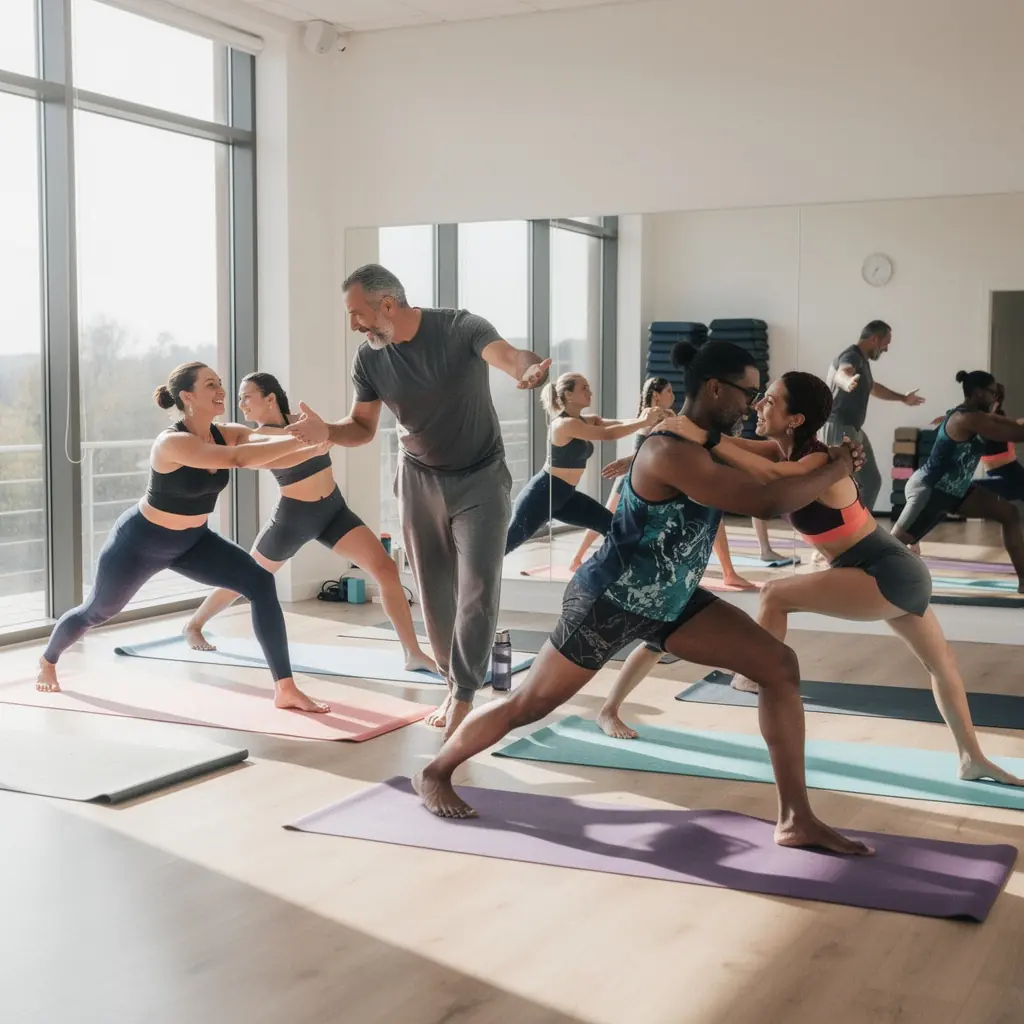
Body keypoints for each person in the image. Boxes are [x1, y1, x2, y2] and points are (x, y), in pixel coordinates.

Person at [413, 340, 873, 857]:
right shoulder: (670, 451)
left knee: (779, 667)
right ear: (715, 388)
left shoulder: (708, 441)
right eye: (747, 393)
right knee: (529, 704)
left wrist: (829, 455)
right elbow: (764, 501)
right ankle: (435, 771)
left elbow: (777, 460)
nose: (752, 404)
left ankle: (796, 818)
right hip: (610, 599)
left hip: (671, 600)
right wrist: (836, 469)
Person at [598, 372, 1023, 787]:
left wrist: (703, 435)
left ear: (796, 419)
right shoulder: (778, 450)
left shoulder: (818, 461)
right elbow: (725, 452)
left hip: (885, 571)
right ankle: (972, 757)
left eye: (770, 400)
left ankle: (752, 674)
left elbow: (766, 474)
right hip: (879, 568)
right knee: (941, 664)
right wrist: (647, 458)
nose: (759, 404)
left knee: (775, 593)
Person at [286, 264, 550, 741]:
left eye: (357, 314)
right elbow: (361, 428)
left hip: (480, 477)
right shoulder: (369, 360)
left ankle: (464, 694)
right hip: (418, 479)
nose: (354, 326)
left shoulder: (460, 327)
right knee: (433, 589)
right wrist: (328, 432)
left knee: (478, 585)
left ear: (388, 304)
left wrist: (526, 369)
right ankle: (453, 682)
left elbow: (509, 356)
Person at [36, 362, 329, 713]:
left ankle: (285, 688)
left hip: (193, 542)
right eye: (210, 385)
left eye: (219, 383)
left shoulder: (227, 432)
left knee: (260, 581)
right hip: (140, 543)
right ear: (188, 397)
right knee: (95, 612)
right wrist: (307, 441)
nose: (221, 390)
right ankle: (48, 660)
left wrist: (316, 438)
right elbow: (238, 459)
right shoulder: (172, 442)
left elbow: (266, 440)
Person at [181, 372, 435, 672]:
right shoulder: (259, 436)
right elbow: (287, 449)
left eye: (246, 396)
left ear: (270, 398)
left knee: (386, 569)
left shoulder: (303, 421)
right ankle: (194, 625)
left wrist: (325, 433)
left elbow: (333, 435)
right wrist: (316, 440)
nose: (242, 404)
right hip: (292, 520)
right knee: (245, 577)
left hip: (334, 512)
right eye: (239, 399)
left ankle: (412, 653)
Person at [583, 378, 756, 589]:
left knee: (713, 517)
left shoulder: (668, 416)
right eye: (669, 391)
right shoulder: (650, 415)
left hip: (653, 474)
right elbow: (649, 449)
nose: (673, 395)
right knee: (608, 519)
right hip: (638, 476)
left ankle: (729, 572)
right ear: (656, 395)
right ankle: (579, 557)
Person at [892, 370, 1024, 591]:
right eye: (992, 393)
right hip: (930, 491)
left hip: (958, 492)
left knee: (1009, 513)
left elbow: (1012, 425)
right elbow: (1015, 433)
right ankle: (852, 578)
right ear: (979, 392)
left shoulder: (979, 417)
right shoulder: (966, 418)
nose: (995, 398)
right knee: (890, 545)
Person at [505, 372, 663, 557]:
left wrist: (646, 420)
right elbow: (608, 435)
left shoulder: (585, 420)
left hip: (565, 496)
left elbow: (617, 424)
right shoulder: (563, 424)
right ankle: (472, 571)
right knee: (505, 545)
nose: (590, 392)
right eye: (584, 388)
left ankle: (611, 570)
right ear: (569, 394)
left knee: (613, 527)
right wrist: (644, 421)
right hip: (542, 495)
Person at [823, 320, 925, 512]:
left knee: (871, 481)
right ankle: (838, 526)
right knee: (839, 484)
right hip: (838, 427)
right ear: (874, 339)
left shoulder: (862, 362)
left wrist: (903, 398)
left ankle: (859, 525)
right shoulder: (851, 356)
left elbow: (873, 387)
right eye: (885, 343)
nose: (886, 349)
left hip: (853, 429)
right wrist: (846, 381)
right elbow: (842, 373)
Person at [976, 383, 1024, 502]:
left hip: (1004, 463)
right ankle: (974, 488)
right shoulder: (982, 415)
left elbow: (1012, 425)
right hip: (1000, 464)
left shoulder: (996, 414)